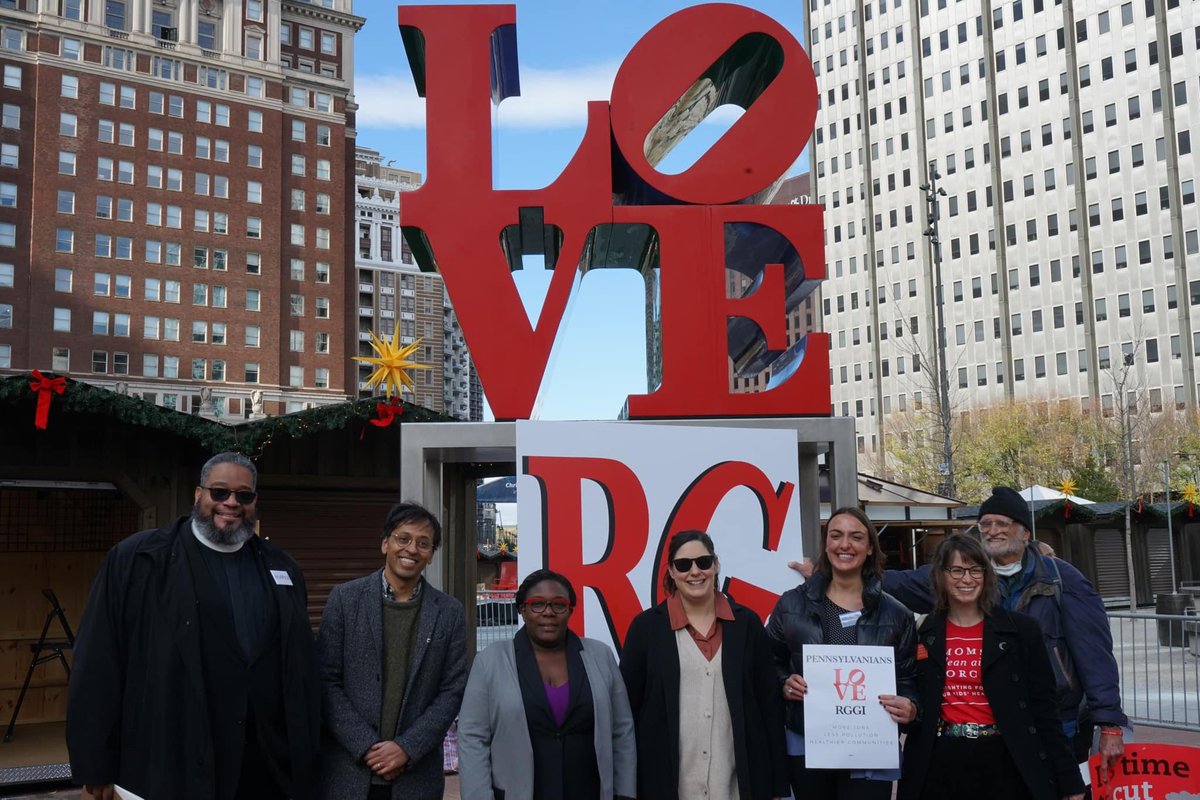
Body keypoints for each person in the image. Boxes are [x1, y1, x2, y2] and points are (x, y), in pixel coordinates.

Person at [67, 452, 321, 800]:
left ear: (254, 501)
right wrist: (94, 765)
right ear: (198, 495)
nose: (231, 503)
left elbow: (300, 671)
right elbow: (97, 663)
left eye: (243, 495)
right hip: (170, 761)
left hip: (262, 768)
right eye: (219, 492)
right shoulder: (137, 561)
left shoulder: (283, 568)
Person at [875, 486, 1129, 782]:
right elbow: (897, 584)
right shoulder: (966, 577)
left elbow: (1094, 655)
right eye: (985, 524)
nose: (992, 531)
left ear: (1025, 533)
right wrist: (838, 572)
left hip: (1058, 720)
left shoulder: (1062, 580)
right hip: (995, 725)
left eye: (1002, 524)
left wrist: (1109, 723)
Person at [898, 534, 1086, 800]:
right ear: (941, 575)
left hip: (1005, 759)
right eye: (957, 570)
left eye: (976, 570)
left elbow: (1045, 709)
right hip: (940, 760)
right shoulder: (922, 632)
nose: (967, 579)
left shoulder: (1021, 631)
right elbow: (912, 696)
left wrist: (1069, 780)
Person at [620, 530, 788, 800]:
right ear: (671, 572)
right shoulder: (646, 629)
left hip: (737, 786)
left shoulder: (748, 625)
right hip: (664, 785)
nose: (695, 571)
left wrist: (777, 785)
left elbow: (769, 708)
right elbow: (626, 711)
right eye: (684, 565)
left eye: (703, 562)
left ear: (716, 564)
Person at [317, 502, 468, 800]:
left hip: (416, 775)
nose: (412, 549)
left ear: (431, 555)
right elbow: (325, 680)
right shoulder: (345, 600)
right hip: (348, 772)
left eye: (423, 543)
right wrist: (365, 746)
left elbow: (453, 689)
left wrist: (407, 748)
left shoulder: (449, 612)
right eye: (403, 538)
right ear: (385, 543)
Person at [767, 506, 918, 800]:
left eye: (856, 537)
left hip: (871, 749)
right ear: (826, 545)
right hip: (807, 744)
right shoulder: (791, 605)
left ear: (870, 548)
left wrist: (911, 707)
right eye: (836, 536)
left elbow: (910, 678)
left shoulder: (897, 614)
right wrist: (784, 682)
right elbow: (767, 662)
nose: (844, 545)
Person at [458, 569, 637, 800]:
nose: (548, 612)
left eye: (558, 605)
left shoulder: (600, 655)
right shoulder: (490, 661)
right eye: (537, 604)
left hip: (589, 790)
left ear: (570, 610)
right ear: (522, 610)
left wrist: (624, 793)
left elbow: (622, 730)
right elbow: (473, 737)